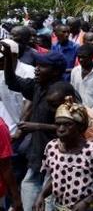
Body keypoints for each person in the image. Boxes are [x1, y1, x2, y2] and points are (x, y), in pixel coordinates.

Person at [2, 43, 67, 211]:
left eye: (42, 66)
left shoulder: (63, 92)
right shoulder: (38, 85)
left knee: (49, 205)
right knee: (30, 199)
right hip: (37, 156)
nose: (36, 69)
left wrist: (37, 126)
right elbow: (12, 81)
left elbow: (74, 127)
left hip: (58, 160)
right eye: (37, 65)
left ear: (55, 71)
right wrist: (9, 58)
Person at [34, 97, 93, 210]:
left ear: (80, 127)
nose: (61, 129)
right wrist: (41, 195)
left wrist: (86, 201)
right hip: (60, 207)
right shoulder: (52, 147)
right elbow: (55, 177)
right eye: (58, 124)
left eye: (67, 124)